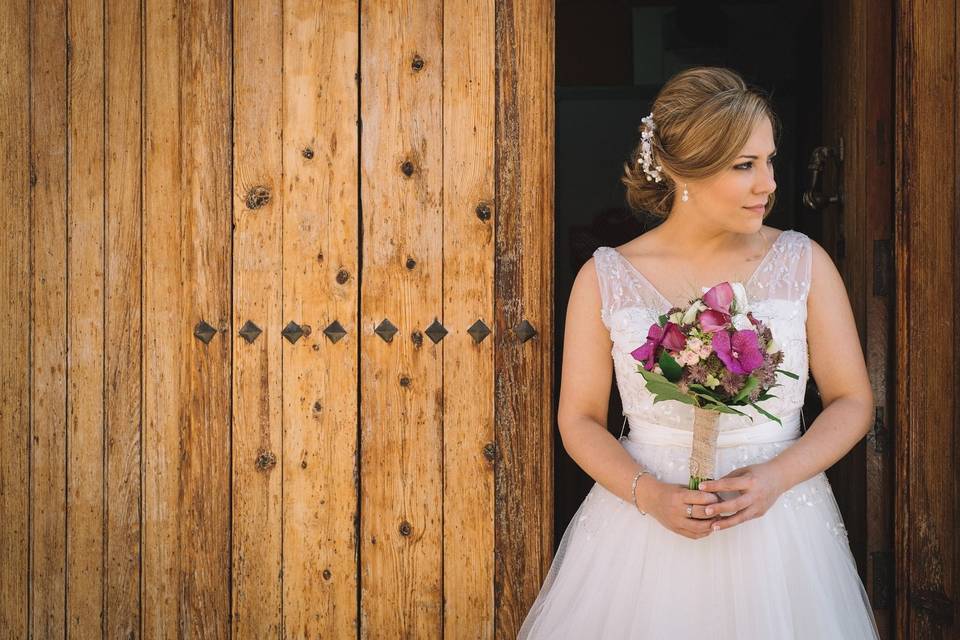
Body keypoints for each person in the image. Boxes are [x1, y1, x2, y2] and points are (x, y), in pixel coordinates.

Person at [518, 67, 881, 639]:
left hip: (781, 524)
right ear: (682, 171)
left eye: (768, 160)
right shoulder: (605, 277)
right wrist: (649, 495)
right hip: (644, 527)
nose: (769, 183)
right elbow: (579, 420)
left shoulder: (802, 262)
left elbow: (852, 400)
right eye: (744, 166)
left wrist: (776, 477)